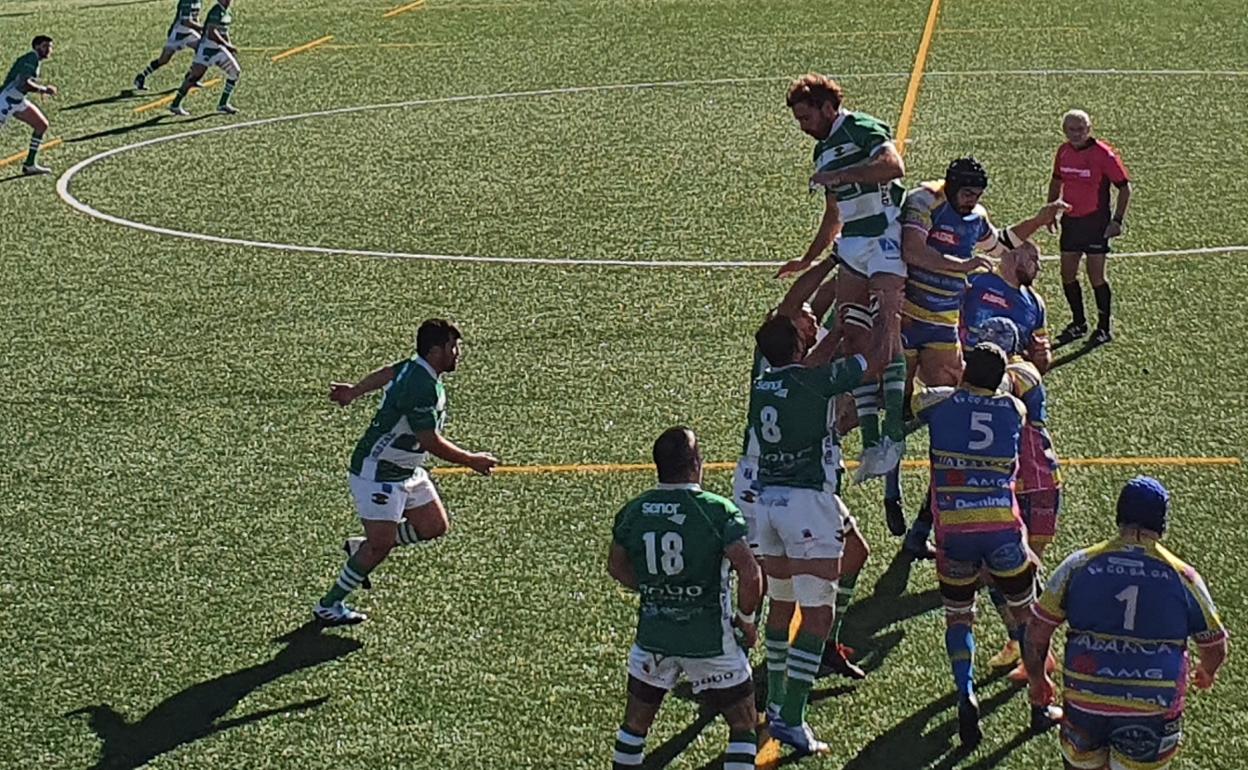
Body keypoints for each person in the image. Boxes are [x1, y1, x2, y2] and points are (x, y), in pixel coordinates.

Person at [896, 159, 1066, 556]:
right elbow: (913, 251)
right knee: (893, 410)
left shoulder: (1030, 299)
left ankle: (921, 526)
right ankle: (882, 480)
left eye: (978, 196)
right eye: (968, 194)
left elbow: (999, 241)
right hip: (906, 316)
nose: (973, 202)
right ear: (952, 187)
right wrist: (963, 265)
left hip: (944, 329)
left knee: (953, 427)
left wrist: (1040, 219)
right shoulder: (925, 200)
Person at [747, 299, 893, 755]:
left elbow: (821, 356)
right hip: (806, 507)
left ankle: (775, 700)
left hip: (766, 504)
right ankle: (791, 717)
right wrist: (888, 314)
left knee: (783, 602)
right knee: (818, 617)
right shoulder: (813, 383)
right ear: (796, 345)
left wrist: (838, 331)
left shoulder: (762, 383)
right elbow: (878, 361)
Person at [1026, 477, 1230, 768]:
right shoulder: (1184, 577)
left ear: (1119, 515)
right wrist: (1207, 670)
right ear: (1161, 523)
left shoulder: (1077, 564)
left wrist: (1038, 681)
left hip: (1086, 703)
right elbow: (1216, 646)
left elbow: (1036, 633)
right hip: (1153, 709)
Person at [312, 319, 499, 625]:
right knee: (381, 547)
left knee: (434, 526)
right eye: (453, 347)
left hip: (407, 470)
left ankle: (362, 547)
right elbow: (429, 441)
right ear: (436, 351)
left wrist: (354, 391)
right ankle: (329, 604)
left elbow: (388, 372)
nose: (457, 353)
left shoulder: (417, 369)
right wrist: (471, 460)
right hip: (378, 473)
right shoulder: (420, 386)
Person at [912, 342, 1045, 748]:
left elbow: (911, 397)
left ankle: (964, 689)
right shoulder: (1014, 411)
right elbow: (1021, 381)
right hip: (1002, 527)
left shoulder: (937, 404)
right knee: (1027, 618)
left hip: (953, 531)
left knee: (959, 617)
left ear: (966, 368)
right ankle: (1039, 703)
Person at [777, 73, 909, 481]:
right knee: (854, 337)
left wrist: (842, 176)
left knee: (888, 326)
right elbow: (833, 215)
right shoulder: (822, 152)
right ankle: (871, 444)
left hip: (885, 236)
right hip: (853, 243)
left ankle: (894, 435)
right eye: (798, 119)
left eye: (806, 116)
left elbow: (893, 165)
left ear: (827, 107)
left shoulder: (860, 127)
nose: (803, 126)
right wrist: (808, 257)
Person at [608, 427, 763, 770]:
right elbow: (750, 574)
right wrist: (747, 622)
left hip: (654, 637)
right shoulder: (717, 511)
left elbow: (617, 567)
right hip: (709, 639)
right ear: (696, 464)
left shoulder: (635, 510)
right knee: (743, 724)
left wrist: (656, 590)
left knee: (634, 726)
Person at [965, 318, 1063, 681]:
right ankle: (1023, 643)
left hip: (1021, 483)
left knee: (1008, 574)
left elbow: (994, 386)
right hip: (1039, 478)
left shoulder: (1013, 374)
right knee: (1016, 575)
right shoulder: (1026, 370)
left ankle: (1037, 652)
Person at [1048, 109, 1132, 345]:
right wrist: (1050, 210)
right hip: (1071, 222)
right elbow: (1056, 182)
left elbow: (1124, 188)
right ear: (1064, 131)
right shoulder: (1063, 152)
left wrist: (1117, 220)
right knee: (1067, 273)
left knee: (1096, 276)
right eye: (1071, 129)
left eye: (1080, 129)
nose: (1075, 134)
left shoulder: (1103, 154)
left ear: (1089, 129)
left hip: (1096, 223)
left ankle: (1104, 327)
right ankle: (1079, 323)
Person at [961, 242, 1051, 374]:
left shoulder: (1036, 304)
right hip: (965, 364)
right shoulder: (975, 281)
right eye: (1033, 259)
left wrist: (1041, 357)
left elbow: (1042, 364)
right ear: (1015, 257)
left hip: (1007, 374)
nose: (1038, 267)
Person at [170, 0, 240, 116]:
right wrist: (227, 45)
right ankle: (175, 104)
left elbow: (224, 32)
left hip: (218, 49)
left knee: (235, 72)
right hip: (206, 49)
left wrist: (228, 46)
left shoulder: (227, 12)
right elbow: (212, 33)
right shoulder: (215, 11)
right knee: (194, 77)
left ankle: (223, 104)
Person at [0, 36, 58, 176]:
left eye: (50, 46)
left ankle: (30, 164)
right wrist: (43, 89)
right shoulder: (31, 59)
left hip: (17, 101)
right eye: (46, 46)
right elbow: (23, 84)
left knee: (41, 125)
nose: (49, 49)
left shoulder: (34, 60)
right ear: (37, 47)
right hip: (5, 100)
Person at [133, 0, 204, 91]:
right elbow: (186, 22)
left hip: (189, 32)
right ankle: (142, 76)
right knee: (163, 60)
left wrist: (201, 33)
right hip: (178, 32)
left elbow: (195, 18)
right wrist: (202, 28)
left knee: (201, 48)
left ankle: (191, 76)